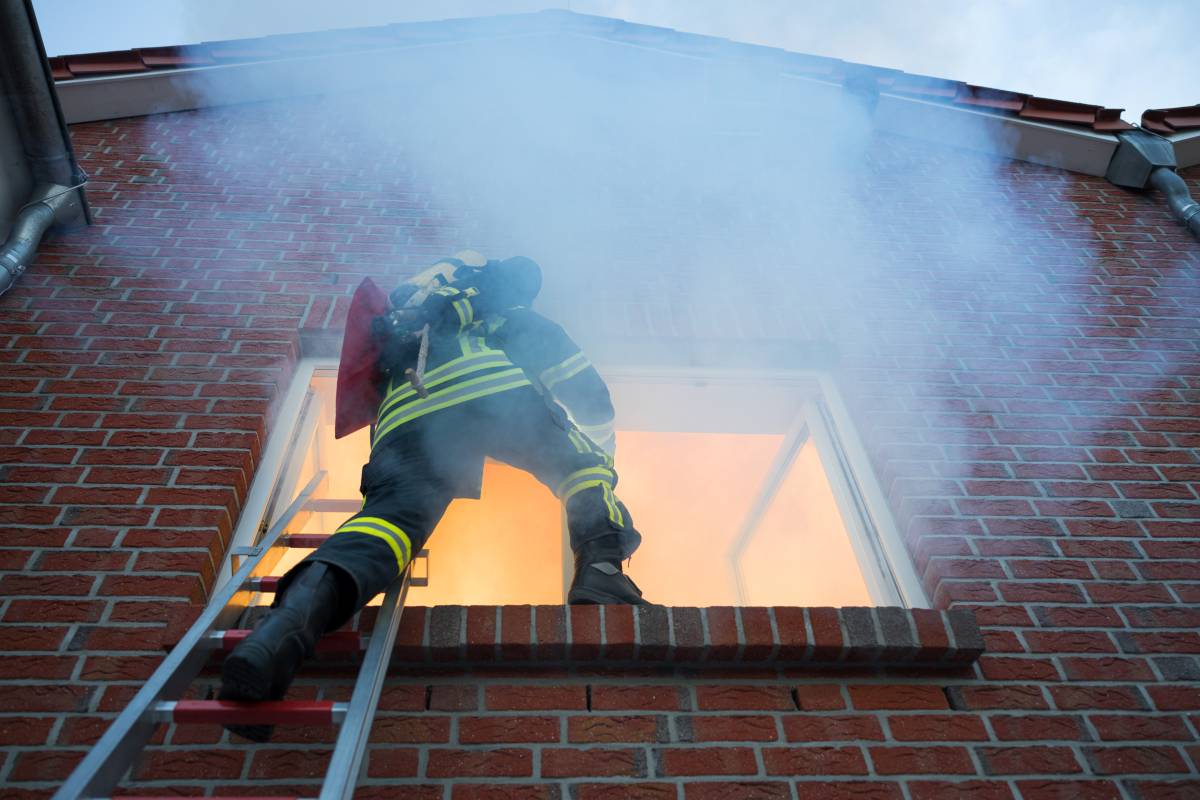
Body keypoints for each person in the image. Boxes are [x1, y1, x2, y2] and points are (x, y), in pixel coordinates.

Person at [219, 251, 647, 740]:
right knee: (582, 469)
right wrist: (602, 450)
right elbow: (576, 378)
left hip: (406, 415)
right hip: (486, 387)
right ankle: (603, 575)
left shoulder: (407, 317)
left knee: (387, 521)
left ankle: (282, 632)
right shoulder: (493, 304)